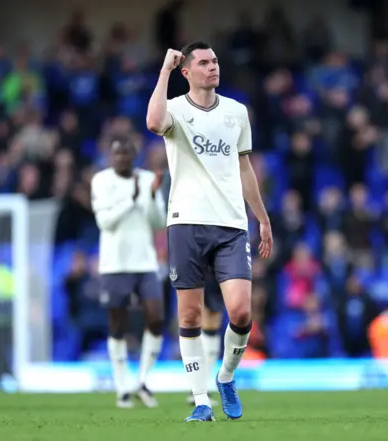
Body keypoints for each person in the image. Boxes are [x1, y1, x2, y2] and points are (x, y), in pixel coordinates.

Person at [146, 41, 273, 423]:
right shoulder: (176, 110)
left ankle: (226, 377)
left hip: (232, 223)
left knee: (241, 312)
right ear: (187, 71)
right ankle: (201, 401)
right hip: (185, 222)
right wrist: (164, 71)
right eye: (203, 62)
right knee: (189, 317)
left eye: (215, 60)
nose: (212, 67)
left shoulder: (236, 112)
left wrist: (262, 218)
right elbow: (153, 124)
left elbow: (245, 168)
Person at [90, 136, 166, 409]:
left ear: (135, 155)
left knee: (156, 319)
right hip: (114, 264)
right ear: (111, 157)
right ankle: (122, 385)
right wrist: (131, 199)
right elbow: (104, 222)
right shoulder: (101, 181)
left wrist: (154, 195)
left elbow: (159, 222)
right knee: (117, 324)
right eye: (117, 154)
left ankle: (142, 381)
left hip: (145, 262)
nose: (121, 158)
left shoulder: (147, 179)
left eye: (126, 153)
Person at [160, 170, 223, 406]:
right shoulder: (177, 169)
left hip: (217, 240)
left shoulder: (215, 160)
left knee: (213, 315)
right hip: (190, 242)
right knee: (191, 314)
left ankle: (203, 385)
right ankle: (197, 386)